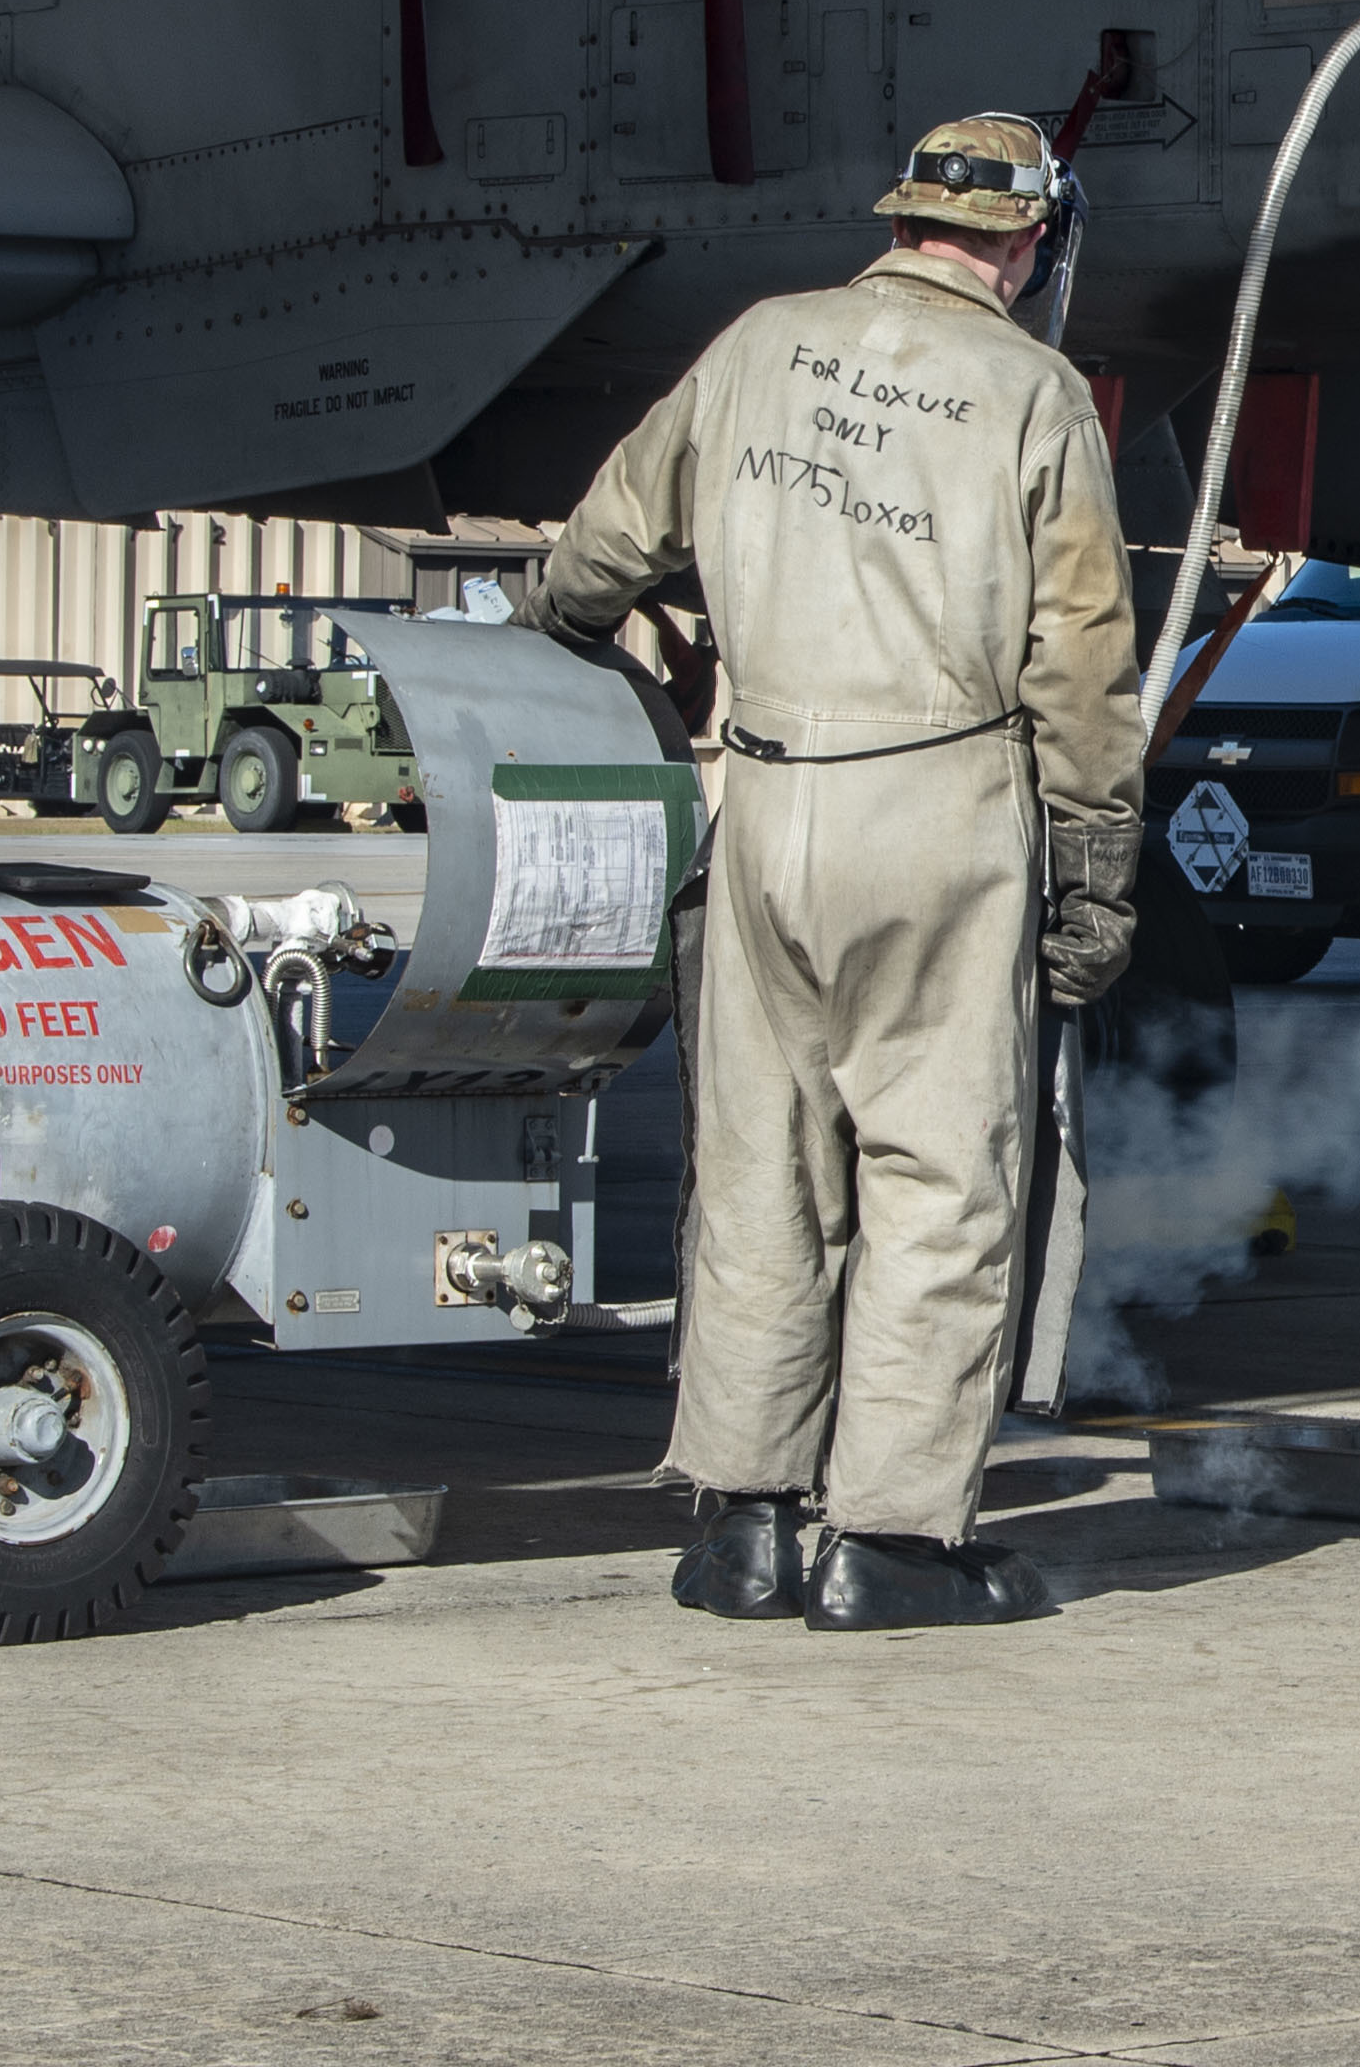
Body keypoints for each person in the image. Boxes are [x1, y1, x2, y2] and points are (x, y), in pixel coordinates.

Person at [535, 112, 1142, 1631]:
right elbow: (1078, 662)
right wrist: (1098, 871)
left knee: (760, 1168)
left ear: (908, 218)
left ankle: (740, 1525)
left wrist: (554, 631)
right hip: (935, 809)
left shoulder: (759, 345)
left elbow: (603, 547)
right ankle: (888, 1542)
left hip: (766, 798)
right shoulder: (1032, 391)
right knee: (941, 1178)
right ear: (1024, 241)